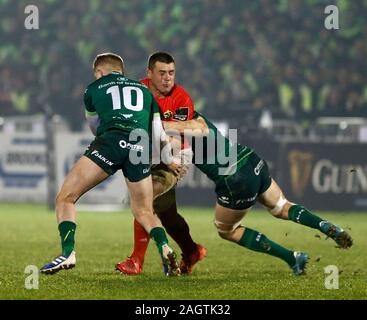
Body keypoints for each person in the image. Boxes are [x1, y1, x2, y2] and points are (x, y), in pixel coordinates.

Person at [162, 111, 353, 275]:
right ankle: (323, 224)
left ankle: (293, 258)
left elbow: (178, 150)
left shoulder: (174, 128)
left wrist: (159, 130)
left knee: (227, 230)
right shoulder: (190, 113)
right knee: (282, 207)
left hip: (233, 177)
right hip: (251, 159)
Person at [40, 52, 181, 276]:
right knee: (144, 210)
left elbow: (95, 128)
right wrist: (168, 160)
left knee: (66, 197)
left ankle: (68, 253)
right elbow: (158, 133)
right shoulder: (145, 91)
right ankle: (165, 247)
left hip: (111, 142)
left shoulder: (93, 89)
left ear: (99, 72)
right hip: (140, 146)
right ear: (121, 71)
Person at [115, 52, 208, 275]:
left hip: (173, 158)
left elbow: (178, 134)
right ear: (149, 73)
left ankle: (136, 261)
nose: (168, 78)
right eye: (162, 73)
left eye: (171, 73)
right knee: (167, 214)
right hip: (148, 156)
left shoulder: (181, 98)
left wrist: (165, 148)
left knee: (144, 201)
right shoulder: (137, 91)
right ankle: (192, 250)